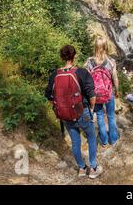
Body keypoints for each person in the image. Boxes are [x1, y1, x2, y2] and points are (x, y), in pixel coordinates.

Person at [45, 45, 101, 179]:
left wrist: (59, 107)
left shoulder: (55, 74)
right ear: (74, 56)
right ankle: (93, 168)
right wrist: (91, 109)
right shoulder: (81, 72)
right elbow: (92, 95)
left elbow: (49, 95)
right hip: (82, 111)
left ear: (61, 57)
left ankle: (82, 168)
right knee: (91, 136)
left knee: (75, 141)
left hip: (65, 114)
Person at [84, 37, 120, 148]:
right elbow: (115, 78)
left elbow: (85, 79)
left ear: (95, 47)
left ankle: (104, 141)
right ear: (105, 47)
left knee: (99, 117)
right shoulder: (111, 61)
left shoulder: (89, 62)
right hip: (108, 93)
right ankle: (113, 140)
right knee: (111, 117)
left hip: (95, 95)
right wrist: (117, 91)